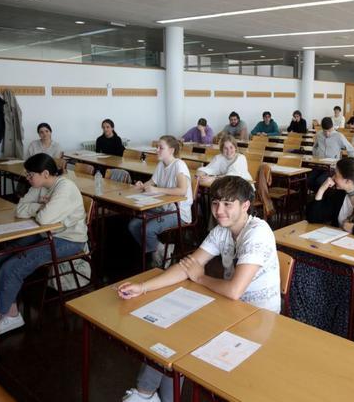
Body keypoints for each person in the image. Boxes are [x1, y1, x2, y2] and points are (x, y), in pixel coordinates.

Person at [119, 176, 279, 402]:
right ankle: (146, 394)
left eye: (227, 204)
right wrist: (143, 287)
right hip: (229, 307)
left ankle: (145, 396)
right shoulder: (222, 230)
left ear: (245, 206)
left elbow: (234, 290)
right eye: (215, 203)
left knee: (183, 333)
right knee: (171, 329)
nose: (219, 211)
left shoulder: (257, 233)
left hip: (257, 318)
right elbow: (187, 268)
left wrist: (201, 278)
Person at [0, 154, 87, 342]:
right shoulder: (40, 185)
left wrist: (41, 210)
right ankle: (9, 313)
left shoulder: (65, 187)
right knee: (0, 256)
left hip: (69, 240)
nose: (27, 179)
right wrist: (41, 206)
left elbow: (44, 219)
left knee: (15, 266)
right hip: (46, 233)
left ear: (45, 173)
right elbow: (20, 209)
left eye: (30, 175)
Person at [292, 158, 354, 336]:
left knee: (321, 276)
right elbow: (313, 217)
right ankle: (310, 321)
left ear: (347, 181)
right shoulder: (340, 196)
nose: (333, 177)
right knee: (300, 266)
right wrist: (321, 190)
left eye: (336, 175)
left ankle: (332, 325)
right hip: (337, 254)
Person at [127, 136, 193, 267]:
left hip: (178, 211)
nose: (157, 150)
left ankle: (157, 255)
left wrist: (157, 190)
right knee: (133, 225)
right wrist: (142, 186)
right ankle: (160, 249)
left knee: (148, 230)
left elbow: (182, 190)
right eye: (157, 147)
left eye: (161, 148)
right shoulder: (161, 164)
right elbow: (151, 183)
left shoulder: (179, 165)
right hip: (163, 207)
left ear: (171, 150)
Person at [310, 117, 354, 190]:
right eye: (325, 131)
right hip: (319, 165)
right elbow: (315, 147)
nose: (327, 133)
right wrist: (315, 157)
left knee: (320, 181)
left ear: (332, 127)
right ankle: (317, 197)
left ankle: (322, 197)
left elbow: (351, 150)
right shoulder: (319, 134)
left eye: (329, 131)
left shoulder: (339, 136)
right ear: (322, 128)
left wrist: (347, 166)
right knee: (309, 180)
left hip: (332, 168)